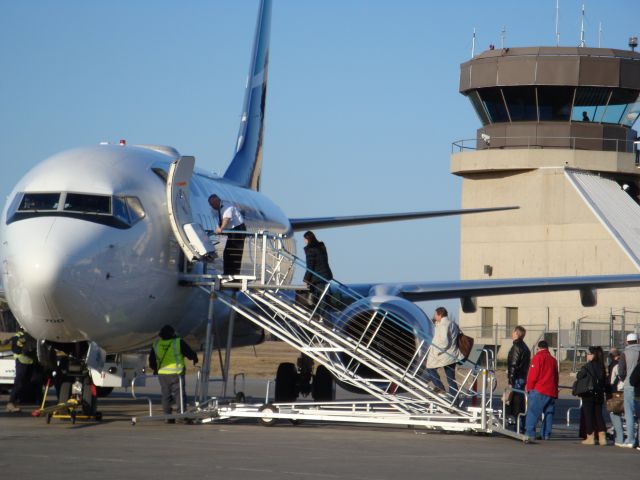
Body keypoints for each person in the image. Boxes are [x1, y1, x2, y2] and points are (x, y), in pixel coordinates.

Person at [148, 325, 198, 422]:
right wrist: (194, 358)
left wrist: (155, 369)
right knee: (179, 395)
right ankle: (181, 415)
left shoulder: (156, 344)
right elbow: (190, 353)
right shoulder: (178, 342)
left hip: (162, 374)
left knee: (166, 395)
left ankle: (167, 417)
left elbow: (152, 360)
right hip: (176, 373)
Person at [425, 307, 463, 396]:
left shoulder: (443, 325)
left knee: (430, 367)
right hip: (452, 355)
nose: (435, 316)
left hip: (444, 355)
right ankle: (455, 402)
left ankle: (439, 386)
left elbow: (444, 342)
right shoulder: (452, 323)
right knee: (451, 379)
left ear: (440, 314)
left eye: (435, 314)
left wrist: (436, 352)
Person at [525, 340, 559, 440]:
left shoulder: (537, 357)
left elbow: (533, 376)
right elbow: (556, 377)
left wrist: (529, 388)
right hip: (551, 390)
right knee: (549, 413)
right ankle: (546, 433)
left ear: (538, 348)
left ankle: (530, 433)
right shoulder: (553, 360)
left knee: (533, 412)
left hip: (539, 390)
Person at [576, 346, 608, 445]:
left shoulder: (588, 366)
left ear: (593, 355)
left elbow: (579, 376)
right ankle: (602, 437)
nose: (587, 355)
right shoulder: (602, 366)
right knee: (598, 415)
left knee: (588, 415)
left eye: (589, 353)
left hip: (589, 393)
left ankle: (590, 436)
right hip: (599, 393)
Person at [208, 194, 246, 276]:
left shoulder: (227, 207)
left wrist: (221, 228)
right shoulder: (215, 209)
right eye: (211, 204)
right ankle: (227, 273)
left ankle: (234, 274)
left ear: (217, 201)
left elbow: (226, 219)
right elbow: (218, 219)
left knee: (235, 252)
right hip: (232, 231)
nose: (212, 206)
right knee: (227, 253)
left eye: (213, 204)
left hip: (238, 229)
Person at [6, 327, 37, 413]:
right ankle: (11, 403)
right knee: (19, 382)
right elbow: (15, 349)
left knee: (30, 381)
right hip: (22, 361)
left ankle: (22, 399)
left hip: (30, 361)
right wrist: (22, 345)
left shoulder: (32, 335)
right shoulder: (18, 336)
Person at [617, 332, 640, 447]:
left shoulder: (624, 353)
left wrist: (624, 379)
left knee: (629, 413)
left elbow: (621, 371)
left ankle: (630, 439)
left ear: (627, 342)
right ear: (638, 341)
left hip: (629, 386)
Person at [506, 326, 530, 430]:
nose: (512, 333)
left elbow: (513, 365)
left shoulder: (516, 347)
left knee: (515, 402)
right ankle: (521, 425)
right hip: (522, 377)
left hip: (517, 378)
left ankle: (517, 426)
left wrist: (510, 381)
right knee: (521, 401)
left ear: (516, 333)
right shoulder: (525, 347)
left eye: (513, 332)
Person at [302, 231, 333, 311]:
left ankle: (321, 317)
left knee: (319, 299)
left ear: (308, 239)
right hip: (326, 275)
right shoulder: (321, 247)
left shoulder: (310, 250)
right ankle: (323, 315)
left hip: (317, 278)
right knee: (324, 298)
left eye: (305, 239)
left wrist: (305, 280)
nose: (304, 241)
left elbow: (310, 267)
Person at [607, 347, 625, 446]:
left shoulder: (615, 366)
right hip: (629, 391)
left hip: (617, 392)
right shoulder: (626, 363)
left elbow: (611, 381)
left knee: (615, 413)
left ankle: (619, 438)